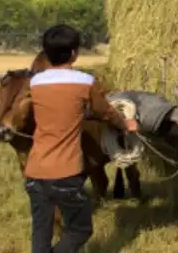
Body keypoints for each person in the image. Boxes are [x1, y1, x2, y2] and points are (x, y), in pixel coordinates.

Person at [24, 24, 138, 253]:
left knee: (41, 230)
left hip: (34, 171)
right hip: (65, 173)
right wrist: (126, 124)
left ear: (45, 53)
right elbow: (104, 112)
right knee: (80, 230)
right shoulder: (85, 82)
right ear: (75, 53)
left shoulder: (34, 83)